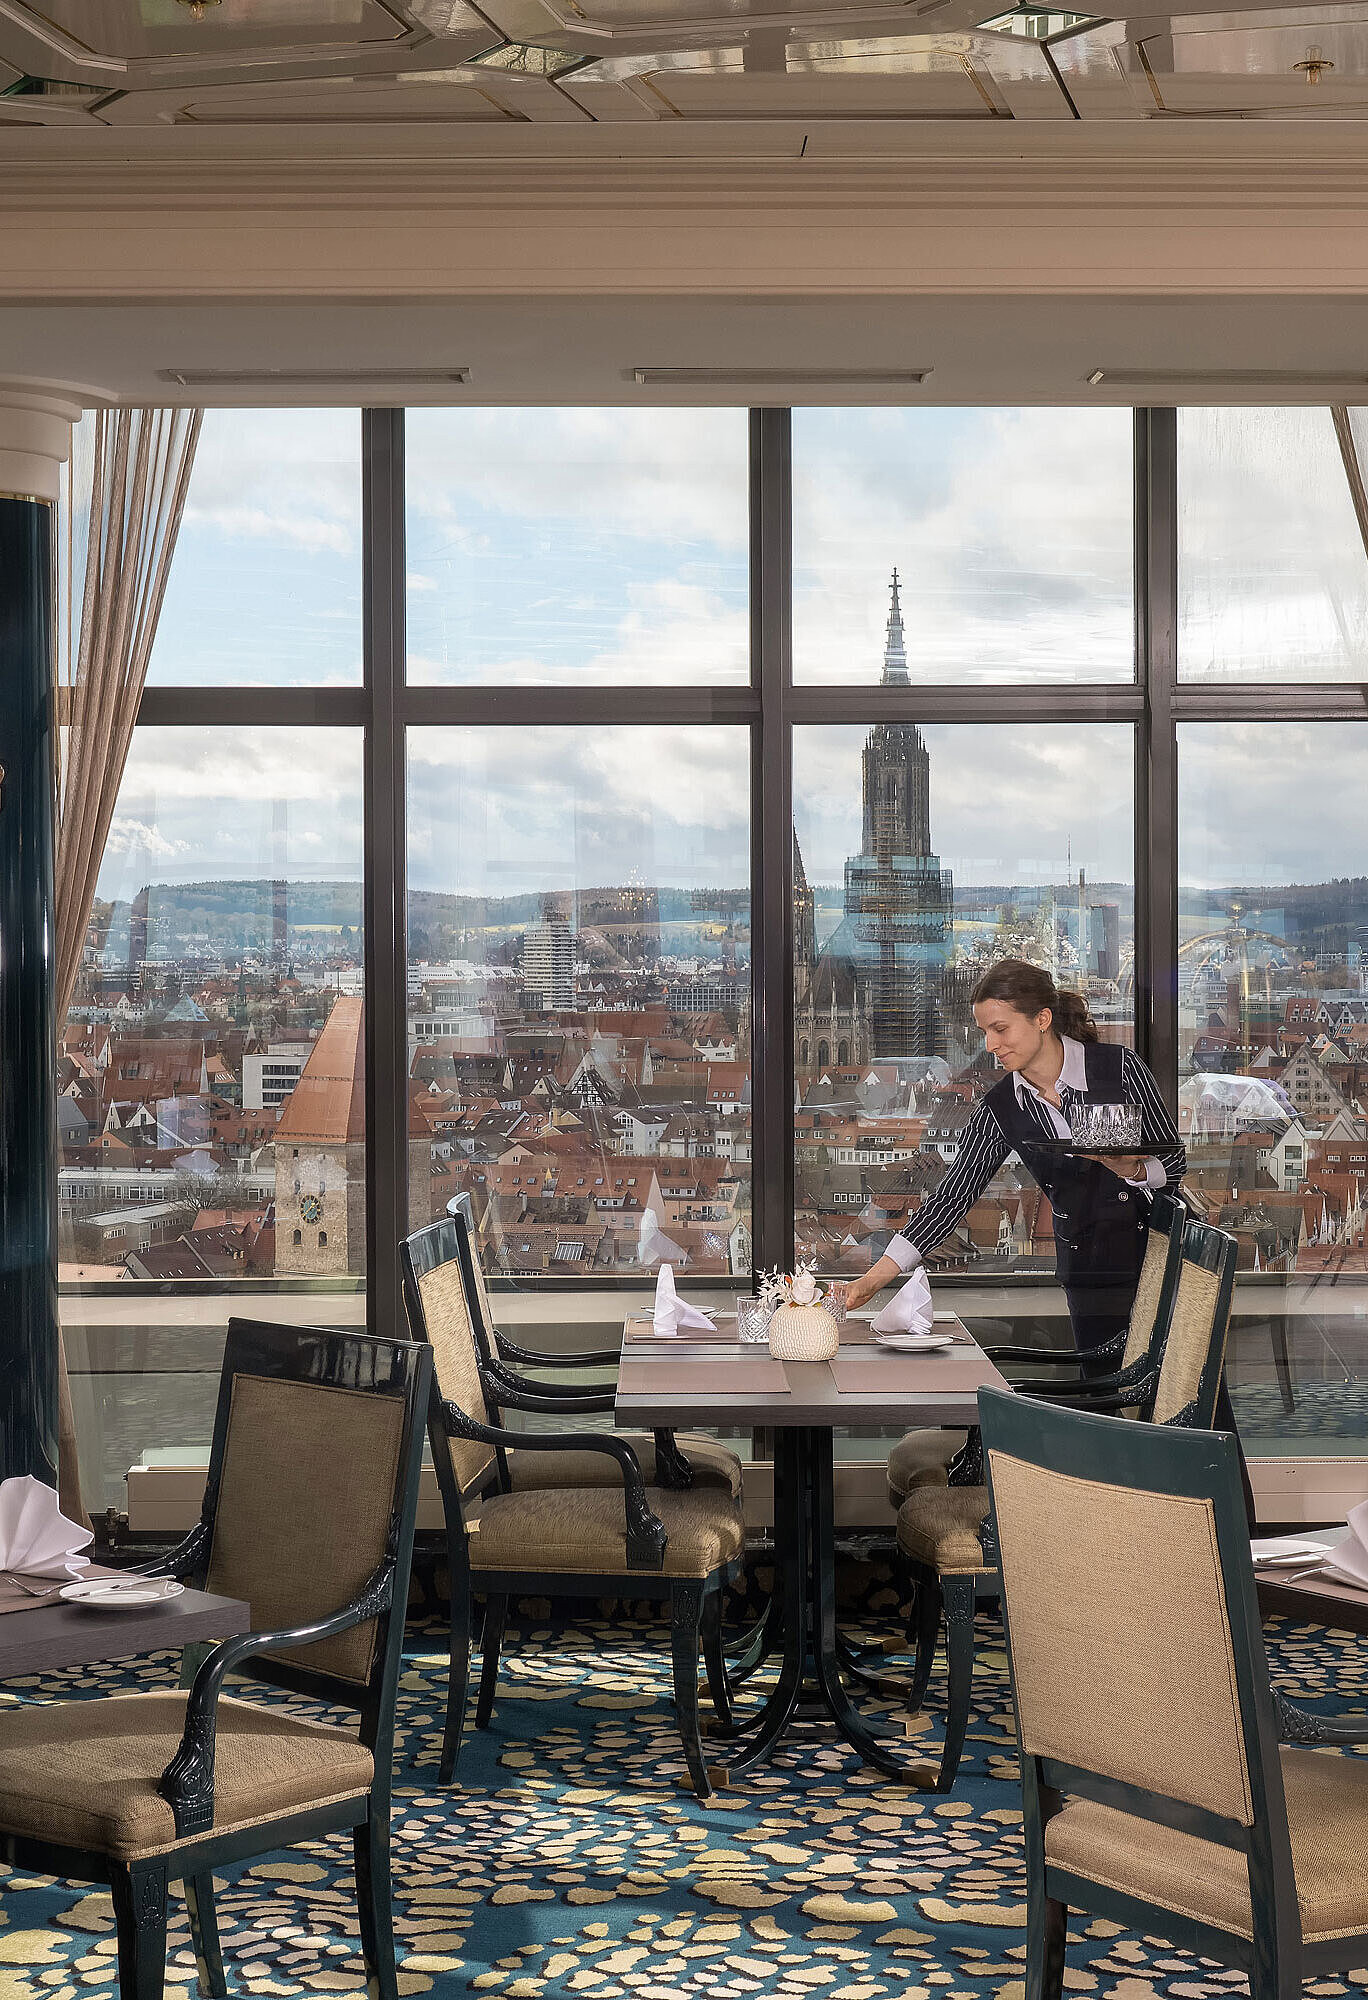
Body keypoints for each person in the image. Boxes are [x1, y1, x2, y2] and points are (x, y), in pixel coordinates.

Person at [843, 958, 1186, 1360]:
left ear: (1042, 1019)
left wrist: (1135, 1169)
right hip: (1092, 1272)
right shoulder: (1001, 1107)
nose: (990, 1045)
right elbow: (951, 1199)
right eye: (984, 1032)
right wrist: (870, 1282)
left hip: (1166, 1257)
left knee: (1187, 1388)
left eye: (1000, 1029)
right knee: (1106, 1389)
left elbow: (1175, 1165)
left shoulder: (1120, 1068)